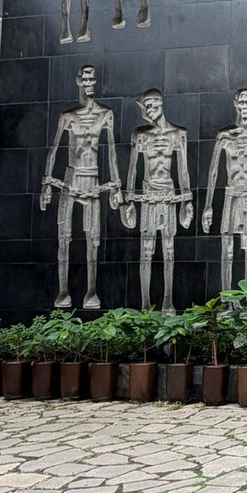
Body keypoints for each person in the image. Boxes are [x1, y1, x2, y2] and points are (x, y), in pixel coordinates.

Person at [39, 65, 122, 309]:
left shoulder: (105, 114)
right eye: (84, 78)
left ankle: (91, 290)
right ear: (78, 81)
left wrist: (116, 186)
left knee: (92, 237)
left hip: (92, 177)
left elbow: (112, 152)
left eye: (92, 78)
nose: (88, 83)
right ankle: (63, 290)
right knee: (64, 236)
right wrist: (46, 183)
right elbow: (54, 150)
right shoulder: (68, 116)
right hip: (71, 177)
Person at [202, 89, 247, 310]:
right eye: (241, 102)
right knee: (227, 247)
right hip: (232, 193)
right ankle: (227, 301)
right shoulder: (225, 136)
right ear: (235, 104)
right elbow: (213, 171)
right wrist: (208, 206)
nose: (244, 106)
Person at [121, 90, 193, 315]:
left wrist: (187, 200)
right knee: (146, 250)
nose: (149, 111)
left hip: (169, 194)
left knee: (169, 249)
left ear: (160, 104)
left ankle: (168, 302)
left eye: (152, 106)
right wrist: (128, 201)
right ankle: (145, 304)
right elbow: (133, 170)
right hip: (149, 194)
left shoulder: (178, 134)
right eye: (146, 108)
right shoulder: (141, 135)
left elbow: (183, 170)